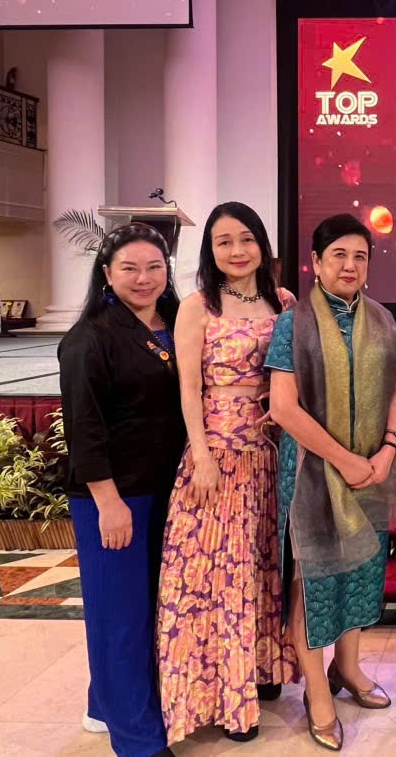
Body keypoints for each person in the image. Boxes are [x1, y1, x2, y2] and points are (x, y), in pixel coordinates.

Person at [156, 202, 298, 745]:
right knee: (216, 577)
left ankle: (261, 670)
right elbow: (188, 388)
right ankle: (221, 695)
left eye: (246, 239)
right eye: (224, 242)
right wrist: (202, 456)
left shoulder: (284, 302)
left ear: (262, 244)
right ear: (210, 251)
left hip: (271, 455)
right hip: (218, 456)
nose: (237, 251)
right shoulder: (197, 306)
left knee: (263, 568)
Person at [267, 214, 396, 751]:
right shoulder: (293, 324)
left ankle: (348, 667)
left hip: (371, 470)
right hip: (313, 473)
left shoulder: (382, 320)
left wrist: (388, 447)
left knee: (361, 573)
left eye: (360, 256)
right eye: (339, 255)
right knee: (315, 580)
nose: (350, 266)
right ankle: (318, 691)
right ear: (316, 262)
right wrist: (344, 459)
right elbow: (284, 408)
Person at [58, 223, 185, 757]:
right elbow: (83, 428)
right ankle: (137, 740)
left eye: (154, 267)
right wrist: (108, 503)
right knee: (121, 617)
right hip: (115, 497)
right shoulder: (89, 338)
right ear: (107, 273)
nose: (143, 278)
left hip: (167, 491)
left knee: (148, 609)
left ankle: (102, 703)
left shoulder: (175, 323)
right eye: (129, 268)